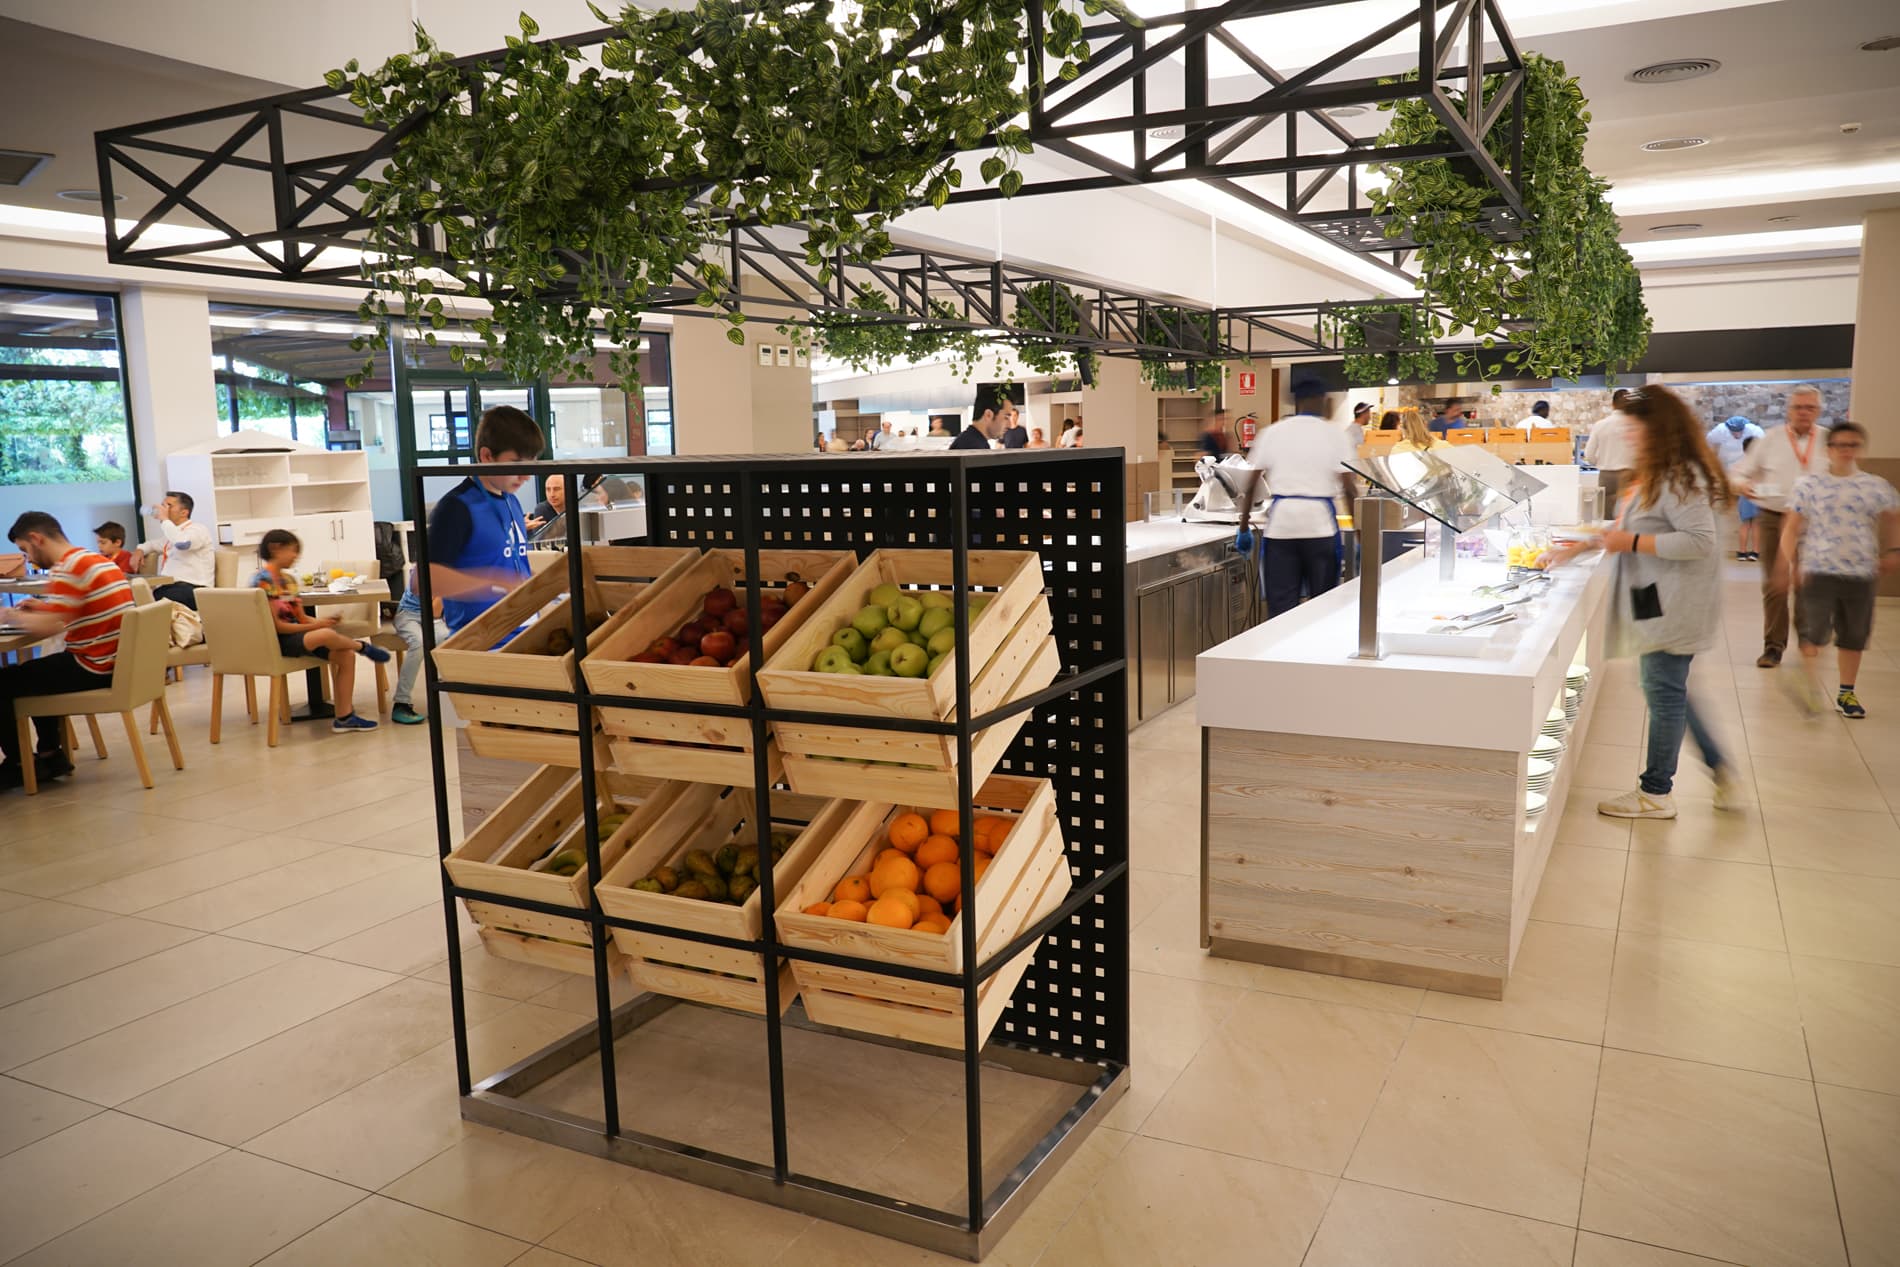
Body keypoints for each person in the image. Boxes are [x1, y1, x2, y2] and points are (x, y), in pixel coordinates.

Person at [1555, 386, 1738, 820]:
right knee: (1666, 688)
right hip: (1660, 600)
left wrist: (1630, 542)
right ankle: (1717, 765)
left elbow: (1699, 541)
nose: (1629, 435)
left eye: (1636, 428)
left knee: (1664, 691)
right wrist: (1576, 548)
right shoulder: (1660, 474)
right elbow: (1628, 530)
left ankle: (1656, 792)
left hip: (1674, 602)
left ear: (1660, 429)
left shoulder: (1679, 477)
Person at [1771, 421, 1899, 719]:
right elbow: (1791, 527)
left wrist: (1894, 550)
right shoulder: (1809, 485)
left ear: (1861, 450)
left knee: (1854, 635)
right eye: (1840, 445)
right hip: (1818, 569)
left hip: (1861, 572)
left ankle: (1846, 692)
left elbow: (1894, 516)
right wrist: (1784, 564)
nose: (1846, 451)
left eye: (1852, 445)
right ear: (1829, 450)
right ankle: (1810, 687)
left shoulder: (1875, 485)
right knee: (1813, 632)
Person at [0, 512, 134, 788]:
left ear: (36, 538)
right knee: (40, 672)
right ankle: (50, 755)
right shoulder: (94, 560)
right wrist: (43, 607)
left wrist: (9, 616)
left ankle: (18, 764)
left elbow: (47, 628)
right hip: (115, 662)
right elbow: (76, 608)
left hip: (93, 666)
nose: (29, 559)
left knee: (7, 680)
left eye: (25, 550)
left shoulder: (68, 568)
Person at [1239, 379, 1357, 619]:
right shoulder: (1335, 434)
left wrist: (1243, 529)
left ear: (1297, 401)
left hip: (1281, 529)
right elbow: (1349, 489)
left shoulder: (1272, 432)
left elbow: (1250, 484)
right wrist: (1359, 534)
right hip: (1320, 528)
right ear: (1321, 399)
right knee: (1323, 607)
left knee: (1281, 610)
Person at [253, 530, 390, 733]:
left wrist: (322, 622)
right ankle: (362, 647)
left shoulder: (288, 580)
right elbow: (279, 627)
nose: (295, 556)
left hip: (298, 636)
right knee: (325, 634)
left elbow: (301, 618)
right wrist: (318, 627)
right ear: (275, 548)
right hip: (278, 640)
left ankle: (344, 718)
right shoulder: (263, 582)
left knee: (346, 655)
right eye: (292, 550)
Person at [1733, 385, 1831, 668]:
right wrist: (1743, 485)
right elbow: (1738, 473)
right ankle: (1773, 647)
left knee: (1807, 581)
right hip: (1774, 516)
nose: (1803, 413)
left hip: (1814, 521)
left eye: (1809, 408)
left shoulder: (1828, 440)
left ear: (1818, 411)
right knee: (1775, 584)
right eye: (1798, 407)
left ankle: (1807, 636)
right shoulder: (1771, 439)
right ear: (1789, 410)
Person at [428, 405, 541, 633]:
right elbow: (426, 580)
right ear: (487, 456)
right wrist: (494, 584)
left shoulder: (511, 500)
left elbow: (508, 565)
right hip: (481, 640)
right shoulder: (457, 507)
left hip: (525, 631)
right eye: (516, 464)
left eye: (531, 465)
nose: (526, 476)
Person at [390, 562, 446, 725]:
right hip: (408, 614)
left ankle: (441, 702)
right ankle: (401, 703)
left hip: (434, 619)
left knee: (448, 640)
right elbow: (434, 611)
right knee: (419, 643)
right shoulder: (421, 568)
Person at [148, 490, 213, 610]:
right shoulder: (173, 534)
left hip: (194, 589)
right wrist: (139, 550)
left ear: (184, 512)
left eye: (169, 506)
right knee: (142, 598)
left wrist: (165, 520)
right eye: (163, 505)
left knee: (152, 602)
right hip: (172, 588)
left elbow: (182, 544)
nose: (164, 509)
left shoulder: (197, 529)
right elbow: (153, 545)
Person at [1584, 388, 1639, 510]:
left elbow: (1589, 454)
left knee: (1605, 513)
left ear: (1613, 404)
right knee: (1627, 512)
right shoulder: (1636, 425)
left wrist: (1600, 462)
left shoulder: (1600, 425)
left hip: (1606, 475)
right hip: (1628, 475)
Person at [951, 393, 1017, 451]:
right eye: (1006, 417)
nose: (1009, 425)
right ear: (988, 415)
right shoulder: (974, 448)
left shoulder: (971, 441)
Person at [1734, 435, 1762, 561]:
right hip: (1757, 495)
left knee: (1745, 524)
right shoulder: (1760, 464)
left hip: (1744, 496)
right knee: (1756, 525)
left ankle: (1742, 552)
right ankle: (1755, 552)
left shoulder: (1741, 463)